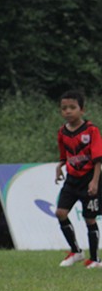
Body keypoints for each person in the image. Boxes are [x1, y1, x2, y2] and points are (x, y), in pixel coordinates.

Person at [53, 89, 102, 268]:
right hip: (71, 180)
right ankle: (76, 251)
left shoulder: (91, 130)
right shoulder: (62, 132)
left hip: (89, 179)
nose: (68, 111)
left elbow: (98, 159)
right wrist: (60, 167)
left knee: (90, 218)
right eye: (64, 108)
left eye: (72, 107)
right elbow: (64, 155)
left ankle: (95, 259)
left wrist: (95, 181)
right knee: (61, 213)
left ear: (82, 110)